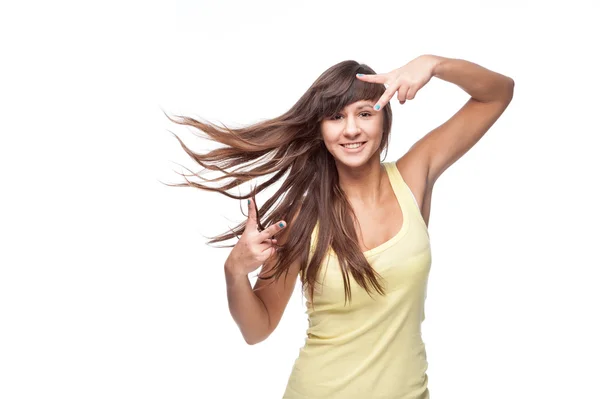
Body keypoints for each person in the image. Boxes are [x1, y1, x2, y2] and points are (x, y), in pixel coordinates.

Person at [165, 54, 514, 398]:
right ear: (320, 130)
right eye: (335, 116)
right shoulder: (302, 218)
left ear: (384, 121)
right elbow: (258, 329)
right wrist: (235, 272)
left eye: (365, 113)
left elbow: (498, 93)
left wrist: (434, 65)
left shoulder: (413, 178)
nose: (351, 129)